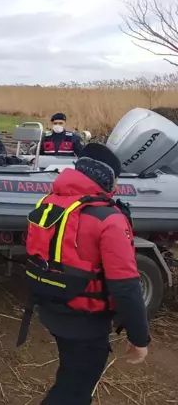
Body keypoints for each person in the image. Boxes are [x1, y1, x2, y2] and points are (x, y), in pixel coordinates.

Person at [17, 143, 150, 404]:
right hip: (85, 323)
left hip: (52, 309)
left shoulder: (50, 201)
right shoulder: (109, 218)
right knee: (73, 392)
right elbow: (125, 285)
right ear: (108, 179)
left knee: (71, 377)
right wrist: (139, 337)